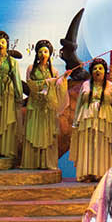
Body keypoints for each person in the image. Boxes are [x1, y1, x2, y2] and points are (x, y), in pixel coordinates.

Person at [72, 59, 112, 183]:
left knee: (102, 146)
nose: (97, 71)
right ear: (91, 71)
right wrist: (75, 122)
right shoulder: (85, 85)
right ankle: (86, 173)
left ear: (105, 71)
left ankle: (102, 173)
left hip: (105, 120)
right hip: (87, 118)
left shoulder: (111, 86)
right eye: (95, 68)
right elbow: (79, 104)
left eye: (100, 68)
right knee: (87, 145)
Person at [22, 40, 66, 170]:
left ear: (50, 54)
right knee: (34, 133)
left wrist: (63, 79)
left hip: (48, 106)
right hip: (35, 105)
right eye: (40, 51)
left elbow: (58, 87)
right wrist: (46, 83)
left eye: (45, 51)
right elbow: (30, 84)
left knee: (47, 134)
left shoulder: (54, 71)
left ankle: (47, 163)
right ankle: (33, 162)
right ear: (37, 53)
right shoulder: (31, 68)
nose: (43, 54)